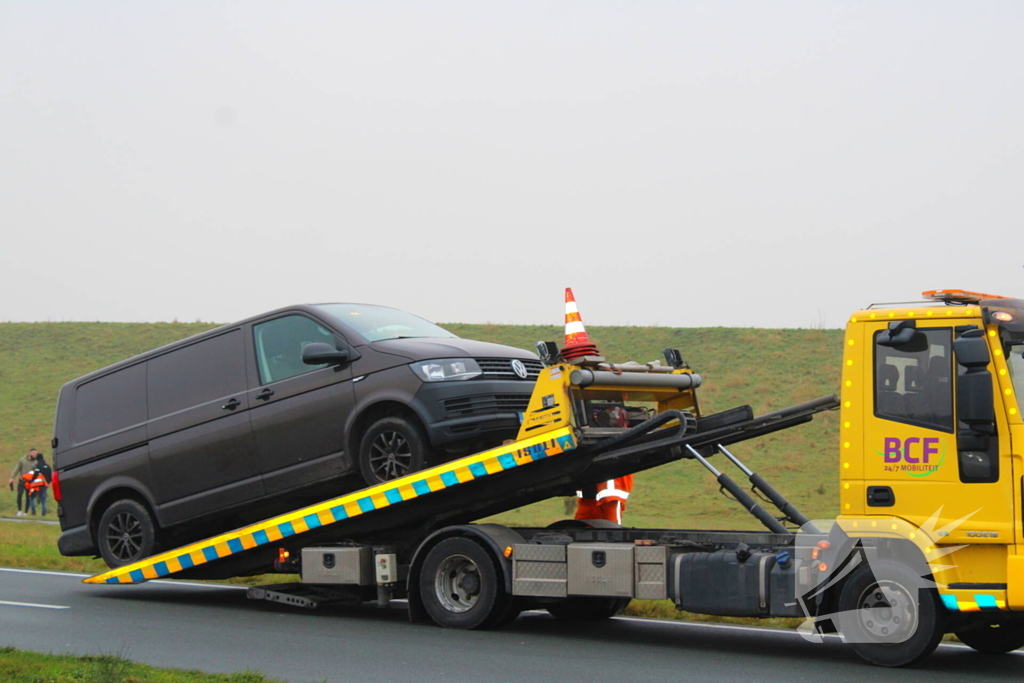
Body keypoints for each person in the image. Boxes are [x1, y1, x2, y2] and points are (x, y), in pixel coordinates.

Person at [8, 448, 37, 517]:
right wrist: (12, 478)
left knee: (28, 497)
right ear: (30, 453)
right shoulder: (22, 460)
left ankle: (26, 512)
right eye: (34, 453)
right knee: (19, 495)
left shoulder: (35, 462)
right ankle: (19, 510)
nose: (35, 455)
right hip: (22, 481)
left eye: (36, 453)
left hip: (29, 482)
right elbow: (17, 469)